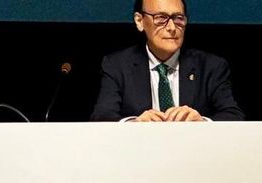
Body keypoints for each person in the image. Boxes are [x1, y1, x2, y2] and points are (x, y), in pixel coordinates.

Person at [90, 0, 244, 122]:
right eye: (161, 18)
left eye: (178, 18)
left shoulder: (211, 66)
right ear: (140, 21)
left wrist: (202, 122)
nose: (171, 27)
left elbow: (233, 116)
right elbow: (102, 116)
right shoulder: (116, 65)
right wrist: (134, 124)